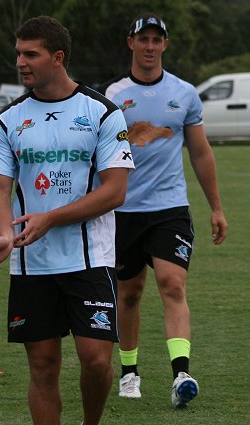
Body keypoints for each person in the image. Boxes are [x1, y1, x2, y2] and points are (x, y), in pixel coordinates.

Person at [0, 16, 134, 425]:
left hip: (91, 259)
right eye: (18, 54)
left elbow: (115, 191)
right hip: (32, 263)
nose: (20, 63)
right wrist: (3, 235)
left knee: (96, 360)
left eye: (31, 54)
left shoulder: (102, 113)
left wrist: (51, 218)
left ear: (58, 58)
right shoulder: (8, 120)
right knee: (43, 366)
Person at [99, 12, 228, 408]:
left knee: (172, 284)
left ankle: (181, 374)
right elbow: (102, 154)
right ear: (131, 44)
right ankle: (129, 372)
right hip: (124, 210)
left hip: (170, 207)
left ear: (165, 45)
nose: (150, 46)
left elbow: (201, 152)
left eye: (157, 40)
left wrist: (216, 208)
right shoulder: (115, 94)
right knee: (130, 292)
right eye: (144, 40)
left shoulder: (185, 93)